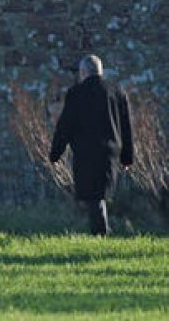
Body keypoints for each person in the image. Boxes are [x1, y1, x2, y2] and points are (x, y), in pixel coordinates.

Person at [49, 55, 133, 236]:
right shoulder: (117, 92)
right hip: (111, 151)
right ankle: (101, 232)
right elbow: (126, 126)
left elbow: (65, 125)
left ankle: (101, 233)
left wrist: (56, 152)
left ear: (84, 72)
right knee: (99, 194)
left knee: (93, 195)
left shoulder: (76, 93)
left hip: (86, 151)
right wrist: (127, 157)